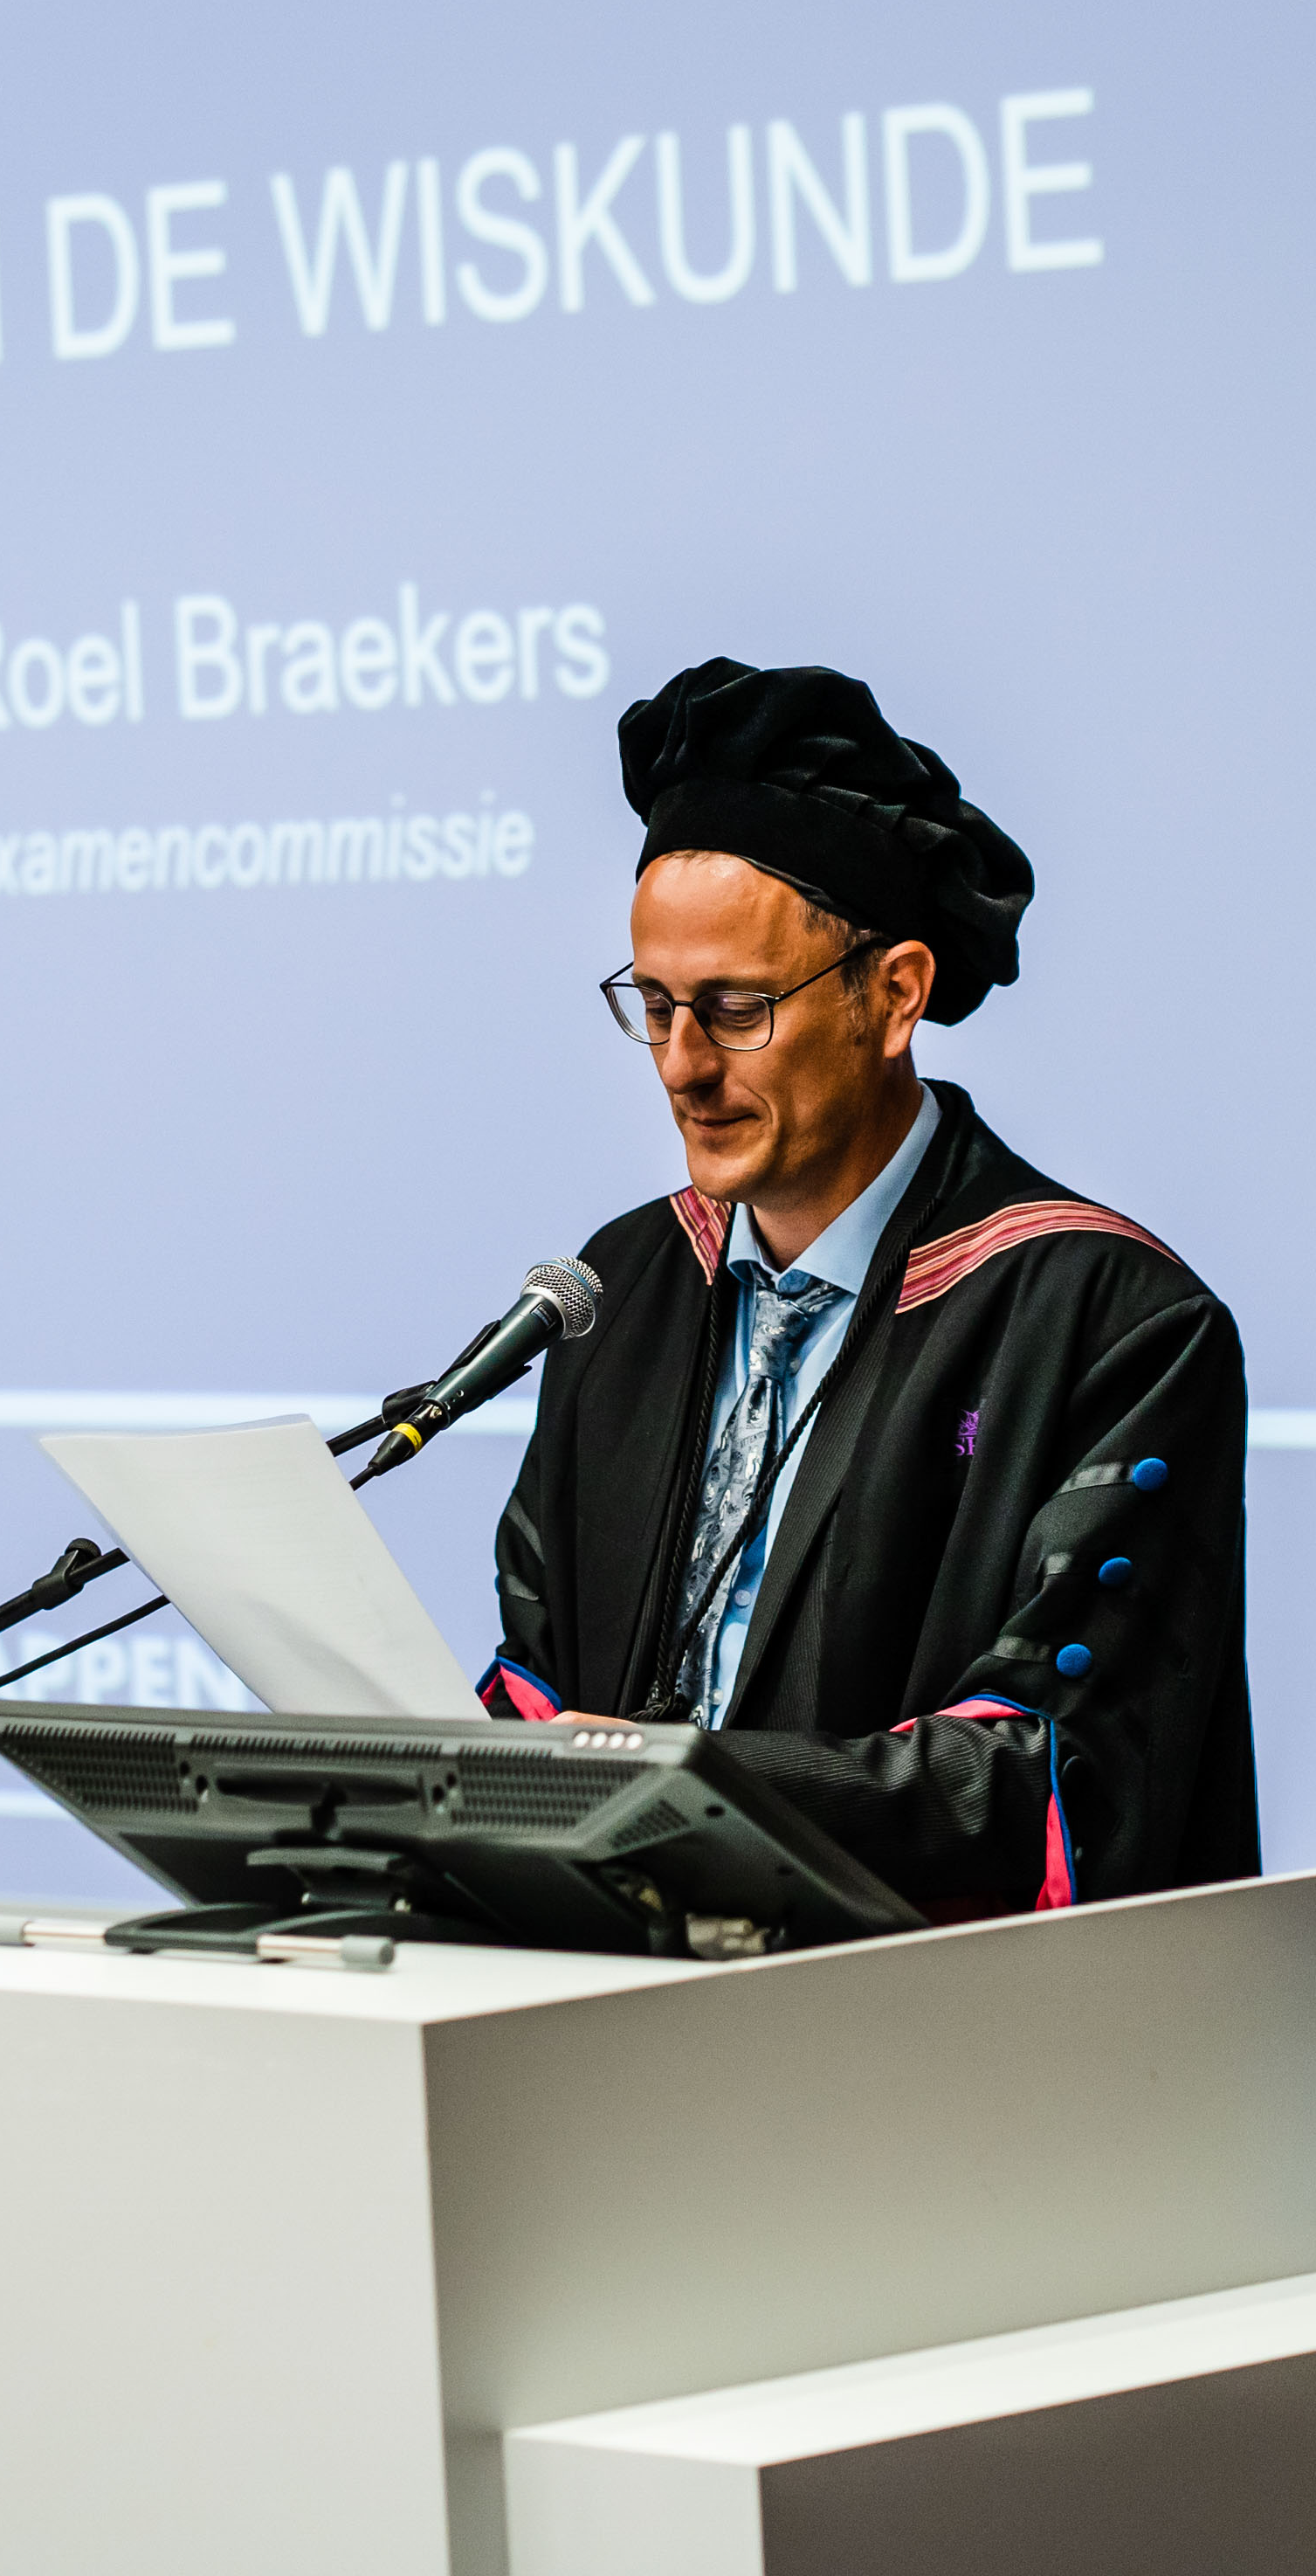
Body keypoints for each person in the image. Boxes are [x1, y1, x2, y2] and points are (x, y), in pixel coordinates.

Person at [479, 656, 1257, 1913]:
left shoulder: (1111, 1323)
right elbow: (534, 1684)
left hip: (930, 2013)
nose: (680, 1066)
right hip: (617, 1996)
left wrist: (665, 1783)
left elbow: (1049, 1780)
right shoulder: (622, 1285)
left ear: (893, 997)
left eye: (735, 1009)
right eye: (655, 1006)